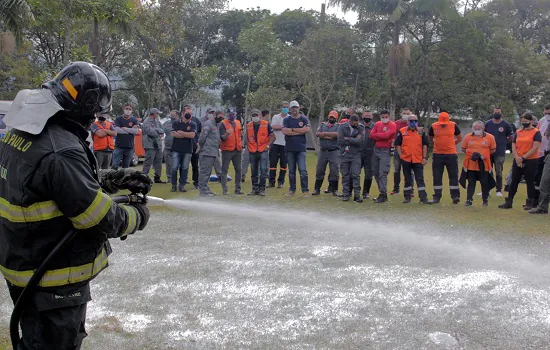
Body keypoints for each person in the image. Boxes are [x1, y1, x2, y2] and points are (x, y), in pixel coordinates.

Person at [0, 62, 151, 349]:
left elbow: (54, 185)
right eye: (94, 114)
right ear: (84, 108)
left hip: (23, 264)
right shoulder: (62, 150)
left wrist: (112, 179)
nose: (94, 120)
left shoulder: (24, 132)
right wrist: (138, 215)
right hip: (53, 280)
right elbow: (99, 218)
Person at [499, 113, 542, 210]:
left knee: (530, 181)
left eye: (526, 121)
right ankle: (509, 201)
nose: (524, 123)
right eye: (522, 121)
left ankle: (530, 202)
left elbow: (535, 147)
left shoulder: (536, 132)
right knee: (514, 180)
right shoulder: (518, 131)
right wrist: (517, 157)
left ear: (531, 121)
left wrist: (523, 158)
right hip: (517, 159)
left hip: (531, 160)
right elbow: (513, 145)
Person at [428, 111, 463, 204]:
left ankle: (455, 196)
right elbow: (430, 138)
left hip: (451, 154)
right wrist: (437, 144)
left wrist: (451, 144)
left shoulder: (454, 125)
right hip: (437, 155)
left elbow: (459, 138)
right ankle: (437, 197)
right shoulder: (433, 126)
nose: (443, 125)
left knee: (453, 175)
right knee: (437, 176)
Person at [394, 114, 429, 204]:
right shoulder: (402, 131)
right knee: (407, 179)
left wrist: (424, 157)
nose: (413, 123)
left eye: (415, 121)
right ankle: (407, 197)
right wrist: (401, 156)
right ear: (408, 122)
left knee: (420, 179)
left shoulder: (421, 131)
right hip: (406, 159)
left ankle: (423, 198)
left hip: (418, 159)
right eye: (411, 121)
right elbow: (397, 145)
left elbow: (425, 145)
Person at [461, 121, 497, 207]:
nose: (476, 130)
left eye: (478, 129)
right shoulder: (467, 137)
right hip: (471, 165)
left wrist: (483, 155)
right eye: (475, 129)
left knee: (484, 183)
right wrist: (471, 154)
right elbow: (463, 149)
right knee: (471, 183)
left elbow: (493, 150)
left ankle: (485, 200)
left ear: (483, 129)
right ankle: (469, 200)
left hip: (484, 165)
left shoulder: (490, 137)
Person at [282, 100, 311, 197]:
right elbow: (285, 131)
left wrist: (292, 129)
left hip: (301, 149)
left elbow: (307, 130)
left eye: (296, 107)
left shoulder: (304, 118)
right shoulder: (287, 119)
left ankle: (305, 190)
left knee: (303, 170)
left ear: (299, 108)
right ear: (290, 109)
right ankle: (292, 190)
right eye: (293, 108)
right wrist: (299, 131)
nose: (295, 109)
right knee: (291, 171)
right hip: (290, 149)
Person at [484, 107, 513, 197]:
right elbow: (483, 135)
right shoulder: (488, 124)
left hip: (500, 152)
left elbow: (511, 137)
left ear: (501, 113)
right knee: (488, 171)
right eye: (495, 112)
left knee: (499, 171)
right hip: (488, 151)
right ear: (493, 113)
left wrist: (504, 143)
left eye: (499, 112)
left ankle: (498, 190)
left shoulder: (506, 124)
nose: (497, 114)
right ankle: (487, 190)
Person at [369, 110, 397, 203]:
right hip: (376, 149)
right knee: (375, 172)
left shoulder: (392, 125)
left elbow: (387, 135)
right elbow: (371, 135)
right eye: (382, 117)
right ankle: (381, 192)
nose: (384, 118)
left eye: (386, 116)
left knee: (382, 173)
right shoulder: (377, 124)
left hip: (385, 151)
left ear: (389, 117)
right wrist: (380, 136)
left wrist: (377, 135)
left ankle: (383, 194)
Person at [247, 109, 276, 196]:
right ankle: (254, 189)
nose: (255, 117)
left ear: (259, 115)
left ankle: (262, 189)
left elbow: (273, 137)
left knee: (263, 170)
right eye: (253, 115)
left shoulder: (266, 124)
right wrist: (248, 146)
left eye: (256, 115)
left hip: (263, 150)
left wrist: (268, 145)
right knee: (253, 171)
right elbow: (247, 137)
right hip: (252, 151)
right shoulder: (248, 125)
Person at [338, 115, 364, 203]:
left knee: (356, 174)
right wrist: (353, 139)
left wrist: (348, 138)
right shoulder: (342, 127)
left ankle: (357, 195)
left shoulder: (360, 127)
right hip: (344, 154)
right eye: (354, 124)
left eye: (357, 123)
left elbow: (360, 141)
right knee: (345, 175)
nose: (356, 125)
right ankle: (345, 194)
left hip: (355, 154)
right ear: (350, 121)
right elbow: (340, 140)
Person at [313, 110, 340, 196]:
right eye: (330, 117)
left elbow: (337, 135)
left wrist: (324, 135)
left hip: (334, 151)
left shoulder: (338, 126)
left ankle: (334, 189)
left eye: (333, 117)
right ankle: (317, 189)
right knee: (320, 170)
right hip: (323, 151)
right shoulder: (322, 124)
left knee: (334, 171)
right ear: (328, 116)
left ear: (336, 118)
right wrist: (330, 136)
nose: (331, 118)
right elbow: (317, 134)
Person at [170, 110, 197, 192]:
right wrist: (186, 135)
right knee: (174, 167)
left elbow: (192, 135)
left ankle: (182, 185)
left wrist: (181, 132)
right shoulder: (176, 122)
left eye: (190, 114)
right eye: (187, 114)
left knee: (185, 168)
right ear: (182, 114)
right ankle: (173, 185)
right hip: (176, 149)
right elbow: (173, 134)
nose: (189, 115)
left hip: (187, 149)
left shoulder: (193, 124)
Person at [219, 108, 244, 195]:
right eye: (230, 114)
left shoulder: (238, 122)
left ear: (236, 114)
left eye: (233, 114)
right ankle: (225, 190)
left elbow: (241, 135)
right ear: (227, 114)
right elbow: (222, 138)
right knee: (224, 170)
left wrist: (242, 144)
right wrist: (227, 133)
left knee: (238, 170)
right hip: (227, 150)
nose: (232, 116)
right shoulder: (223, 123)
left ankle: (238, 189)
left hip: (237, 149)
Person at [198, 110, 222, 197]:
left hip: (213, 152)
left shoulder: (216, 125)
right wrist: (201, 147)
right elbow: (202, 138)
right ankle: (203, 191)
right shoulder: (208, 124)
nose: (221, 119)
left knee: (208, 173)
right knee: (205, 172)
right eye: (219, 117)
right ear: (215, 115)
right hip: (207, 152)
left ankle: (206, 190)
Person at [112, 103, 140, 170]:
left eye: (130, 109)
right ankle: (113, 180)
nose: (128, 110)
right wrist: (130, 130)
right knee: (115, 166)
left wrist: (124, 128)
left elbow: (135, 131)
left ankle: (123, 180)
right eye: (126, 108)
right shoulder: (118, 119)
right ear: (123, 109)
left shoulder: (134, 120)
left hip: (130, 146)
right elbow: (117, 130)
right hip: (119, 146)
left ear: (132, 110)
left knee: (126, 167)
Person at [141, 108, 166, 183]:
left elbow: (162, 130)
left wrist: (157, 130)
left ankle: (157, 177)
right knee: (148, 162)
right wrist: (158, 131)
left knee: (158, 161)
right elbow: (151, 133)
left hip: (157, 144)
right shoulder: (146, 121)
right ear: (153, 114)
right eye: (157, 113)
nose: (158, 115)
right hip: (149, 144)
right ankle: (143, 178)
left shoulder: (157, 121)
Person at [391, 107, 412, 195]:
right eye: (404, 113)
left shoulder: (412, 124)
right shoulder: (396, 124)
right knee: (397, 170)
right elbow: (393, 137)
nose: (406, 115)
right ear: (401, 114)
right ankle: (396, 189)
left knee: (409, 171)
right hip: (397, 150)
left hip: (409, 151)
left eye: (408, 114)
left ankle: (410, 190)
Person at [533, 104, 550, 207]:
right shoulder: (542, 121)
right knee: (540, 179)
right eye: (546, 113)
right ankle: (536, 202)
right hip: (541, 153)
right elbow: (539, 135)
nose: (547, 115)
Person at [269, 102, 289, 188]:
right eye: (284, 107)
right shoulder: (276, 117)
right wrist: (284, 127)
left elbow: (289, 129)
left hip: (285, 144)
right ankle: (271, 182)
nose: (285, 109)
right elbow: (273, 127)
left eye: (287, 107)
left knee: (283, 164)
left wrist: (281, 127)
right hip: (275, 143)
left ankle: (281, 182)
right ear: (281, 108)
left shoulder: (289, 118)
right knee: (273, 163)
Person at [183, 105, 202, 189]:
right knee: (183, 165)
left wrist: (198, 141)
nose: (189, 114)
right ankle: (182, 181)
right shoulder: (180, 121)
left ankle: (196, 182)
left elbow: (200, 131)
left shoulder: (196, 120)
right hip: (183, 146)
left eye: (190, 112)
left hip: (194, 145)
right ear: (183, 112)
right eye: (187, 112)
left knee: (195, 165)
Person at [360, 111, 375, 199]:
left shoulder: (375, 126)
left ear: (372, 117)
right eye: (366, 115)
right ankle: (350, 191)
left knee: (369, 174)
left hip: (370, 153)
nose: (367, 117)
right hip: (358, 152)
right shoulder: (358, 125)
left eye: (369, 116)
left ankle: (366, 192)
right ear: (362, 116)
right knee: (354, 172)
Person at [162, 110, 178, 183]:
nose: (171, 117)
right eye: (170, 115)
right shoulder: (166, 123)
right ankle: (170, 178)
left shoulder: (180, 123)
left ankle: (179, 178)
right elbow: (161, 131)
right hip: (168, 147)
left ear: (177, 115)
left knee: (177, 164)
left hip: (177, 147)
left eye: (173, 115)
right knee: (169, 164)